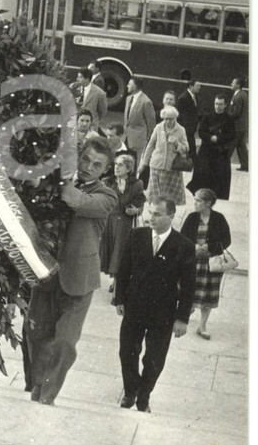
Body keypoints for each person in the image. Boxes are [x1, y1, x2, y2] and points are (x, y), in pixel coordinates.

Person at [27, 136, 117, 405]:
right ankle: (38, 390)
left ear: (105, 171)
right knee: (36, 335)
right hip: (47, 274)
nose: (89, 167)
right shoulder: (60, 178)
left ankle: (46, 396)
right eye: (86, 159)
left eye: (97, 165)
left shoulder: (106, 197)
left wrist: (54, 177)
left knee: (64, 342)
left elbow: (73, 198)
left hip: (79, 279)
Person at [115, 199, 195, 413]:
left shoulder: (184, 245)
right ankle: (130, 391)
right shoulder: (137, 236)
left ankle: (144, 396)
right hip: (134, 306)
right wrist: (120, 299)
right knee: (127, 352)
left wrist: (182, 319)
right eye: (150, 212)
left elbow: (188, 286)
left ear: (171, 216)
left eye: (158, 214)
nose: (151, 217)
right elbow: (123, 270)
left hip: (164, 312)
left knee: (155, 358)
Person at [181, 188, 231, 341]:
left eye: (198, 200)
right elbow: (182, 237)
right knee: (188, 291)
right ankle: (183, 318)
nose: (195, 203)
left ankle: (202, 326)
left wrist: (209, 248)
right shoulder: (191, 218)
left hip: (211, 264)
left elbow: (226, 240)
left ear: (208, 203)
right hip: (193, 261)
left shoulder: (219, 218)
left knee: (208, 296)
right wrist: (194, 247)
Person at [99, 153, 145, 289]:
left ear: (129, 168)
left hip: (125, 222)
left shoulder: (137, 184)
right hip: (109, 221)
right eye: (116, 164)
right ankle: (116, 281)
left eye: (120, 165)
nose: (116, 167)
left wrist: (136, 210)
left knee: (120, 251)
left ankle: (118, 284)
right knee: (111, 252)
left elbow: (140, 205)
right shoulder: (106, 182)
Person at [138, 106, 189, 207]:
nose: (167, 121)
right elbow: (150, 145)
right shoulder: (158, 127)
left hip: (172, 169)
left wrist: (177, 143)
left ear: (175, 118)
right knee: (154, 195)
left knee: (168, 197)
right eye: (165, 119)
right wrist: (144, 162)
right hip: (156, 166)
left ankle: (166, 214)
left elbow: (186, 148)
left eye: (170, 119)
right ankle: (154, 212)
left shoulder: (181, 130)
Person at [187, 95, 236, 200]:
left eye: (220, 104)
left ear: (225, 105)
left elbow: (231, 135)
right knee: (202, 176)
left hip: (220, 154)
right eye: (216, 104)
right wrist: (210, 137)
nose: (218, 106)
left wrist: (218, 139)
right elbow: (201, 132)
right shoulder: (207, 117)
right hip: (206, 152)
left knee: (219, 179)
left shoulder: (229, 119)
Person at [123, 76, 155, 180]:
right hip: (126, 138)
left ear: (135, 86)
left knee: (133, 168)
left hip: (138, 140)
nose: (127, 86)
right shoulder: (128, 98)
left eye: (129, 84)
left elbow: (151, 124)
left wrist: (147, 141)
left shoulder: (146, 102)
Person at [176, 78, 201, 160]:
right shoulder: (184, 97)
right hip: (187, 128)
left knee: (190, 147)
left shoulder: (194, 96)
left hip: (191, 128)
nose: (199, 87)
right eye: (197, 85)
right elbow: (181, 115)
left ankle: (191, 161)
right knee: (190, 147)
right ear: (191, 86)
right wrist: (187, 128)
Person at [228, 78, 248, 171]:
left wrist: (226, 116)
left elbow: (236, 113)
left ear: (238, 85)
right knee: (241, 147)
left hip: (236, 127)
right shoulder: (243, 94)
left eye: (233, 82)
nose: (231, 84)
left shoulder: (238, 96)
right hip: (243, 126)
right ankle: (245, 165)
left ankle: (223, 164)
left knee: (230, 145)